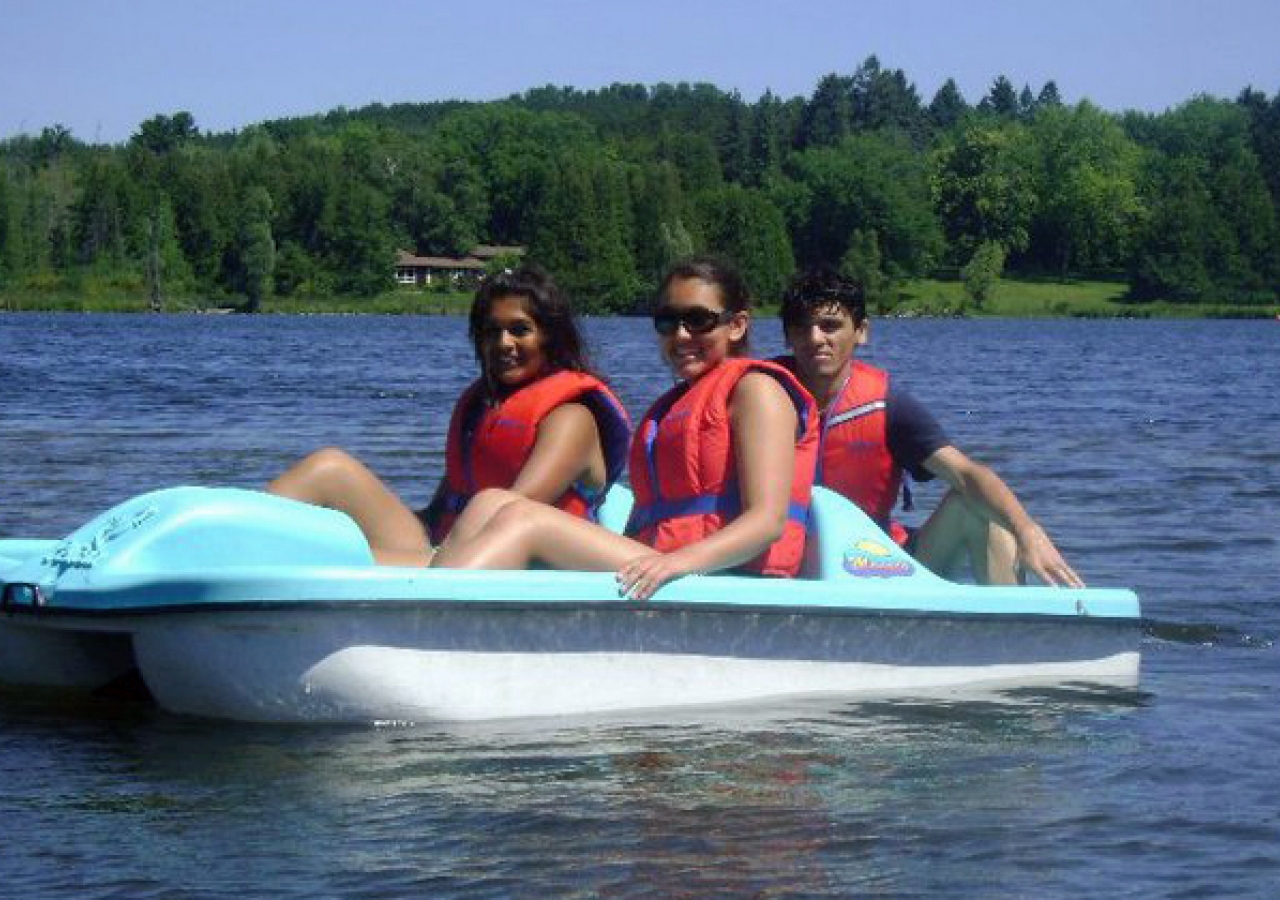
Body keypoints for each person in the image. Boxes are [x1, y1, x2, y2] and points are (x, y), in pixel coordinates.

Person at [430, 257, 819, 601]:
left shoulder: (759, 391)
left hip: (721, 576)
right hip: (666, 564)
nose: (681, 335)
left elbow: (767, 522)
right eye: (668, 322)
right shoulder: (677, 404)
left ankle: (430, 617)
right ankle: (419, 597)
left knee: (523, 519)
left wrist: (677, 563)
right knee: (493, 501)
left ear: (737, 325)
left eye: (698, 320)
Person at [267, 266, 631, 566]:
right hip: (451, 549)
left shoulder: (571, 418)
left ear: (550, 337)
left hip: (522, 562)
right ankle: (234, 542)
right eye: (491, 331)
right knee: (329, 467)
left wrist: (372, 558)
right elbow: (439, 513)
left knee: (341, 560)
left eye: (520, 330)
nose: (503, 343)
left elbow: (510, 512)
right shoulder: (482, 413)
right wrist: (350, 531)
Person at [776, 266, 1083, 588]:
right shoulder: (758, 391)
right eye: (801, 327)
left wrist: (1028, 532)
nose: (815, 338)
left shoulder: (890, 405)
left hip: (874, 564)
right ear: (787, 335)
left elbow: (968, 474)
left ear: (861, 331)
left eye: (830, 326)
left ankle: (1016, 629)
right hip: (782, 559)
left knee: (977, 505)